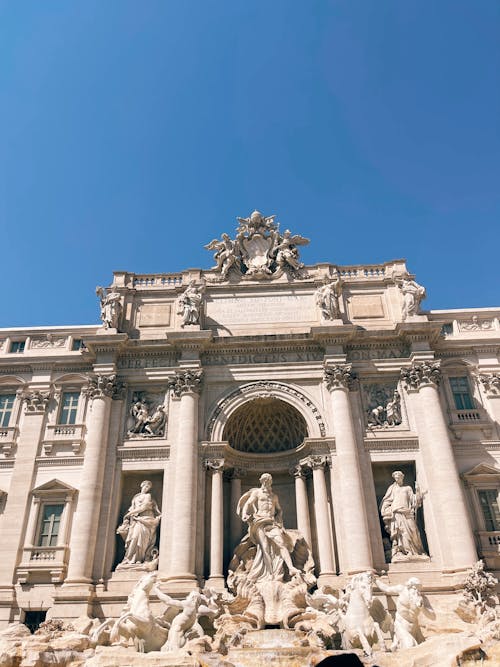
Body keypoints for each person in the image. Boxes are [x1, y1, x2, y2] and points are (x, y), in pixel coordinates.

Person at [237, 473, 300, 580]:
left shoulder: (274, 496)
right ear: (261, 481)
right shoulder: (257, 493)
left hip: (272, 522)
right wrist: (244, 514)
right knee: (264, 547)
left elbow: (279, 510)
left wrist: (280, 522)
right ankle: (270, 574)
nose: (267, 483)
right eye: (265, 481)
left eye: (269, 481)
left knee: (281, 544)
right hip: (259, 521)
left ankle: (291, 568)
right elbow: (248, 504)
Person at [380, 471, 425, 561]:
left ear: (402, 477)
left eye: (399, 476)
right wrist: (385, 510)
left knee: (413, 531)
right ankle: (406, 552)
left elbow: (414, 500)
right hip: (396, 512)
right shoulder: (392, 488)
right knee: (401, 532)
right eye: (396, 477)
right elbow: (386, 501)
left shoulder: (407, 488)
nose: (397, 478)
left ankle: (416, 551)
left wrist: (418, 491)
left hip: (407, 512)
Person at [117, 480, 161, 567]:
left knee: (142, 540)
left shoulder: (148, 496)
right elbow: (131, 508)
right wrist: (127, 517)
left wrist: (130, 514)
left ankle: (140, 559)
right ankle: (130, 559)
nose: (147, 488)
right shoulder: (135, 497)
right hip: (135, 521)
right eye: (146, 486)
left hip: (146, 520)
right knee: (134, 537)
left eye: (148, 487)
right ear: (142, 486)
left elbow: (143, 507)